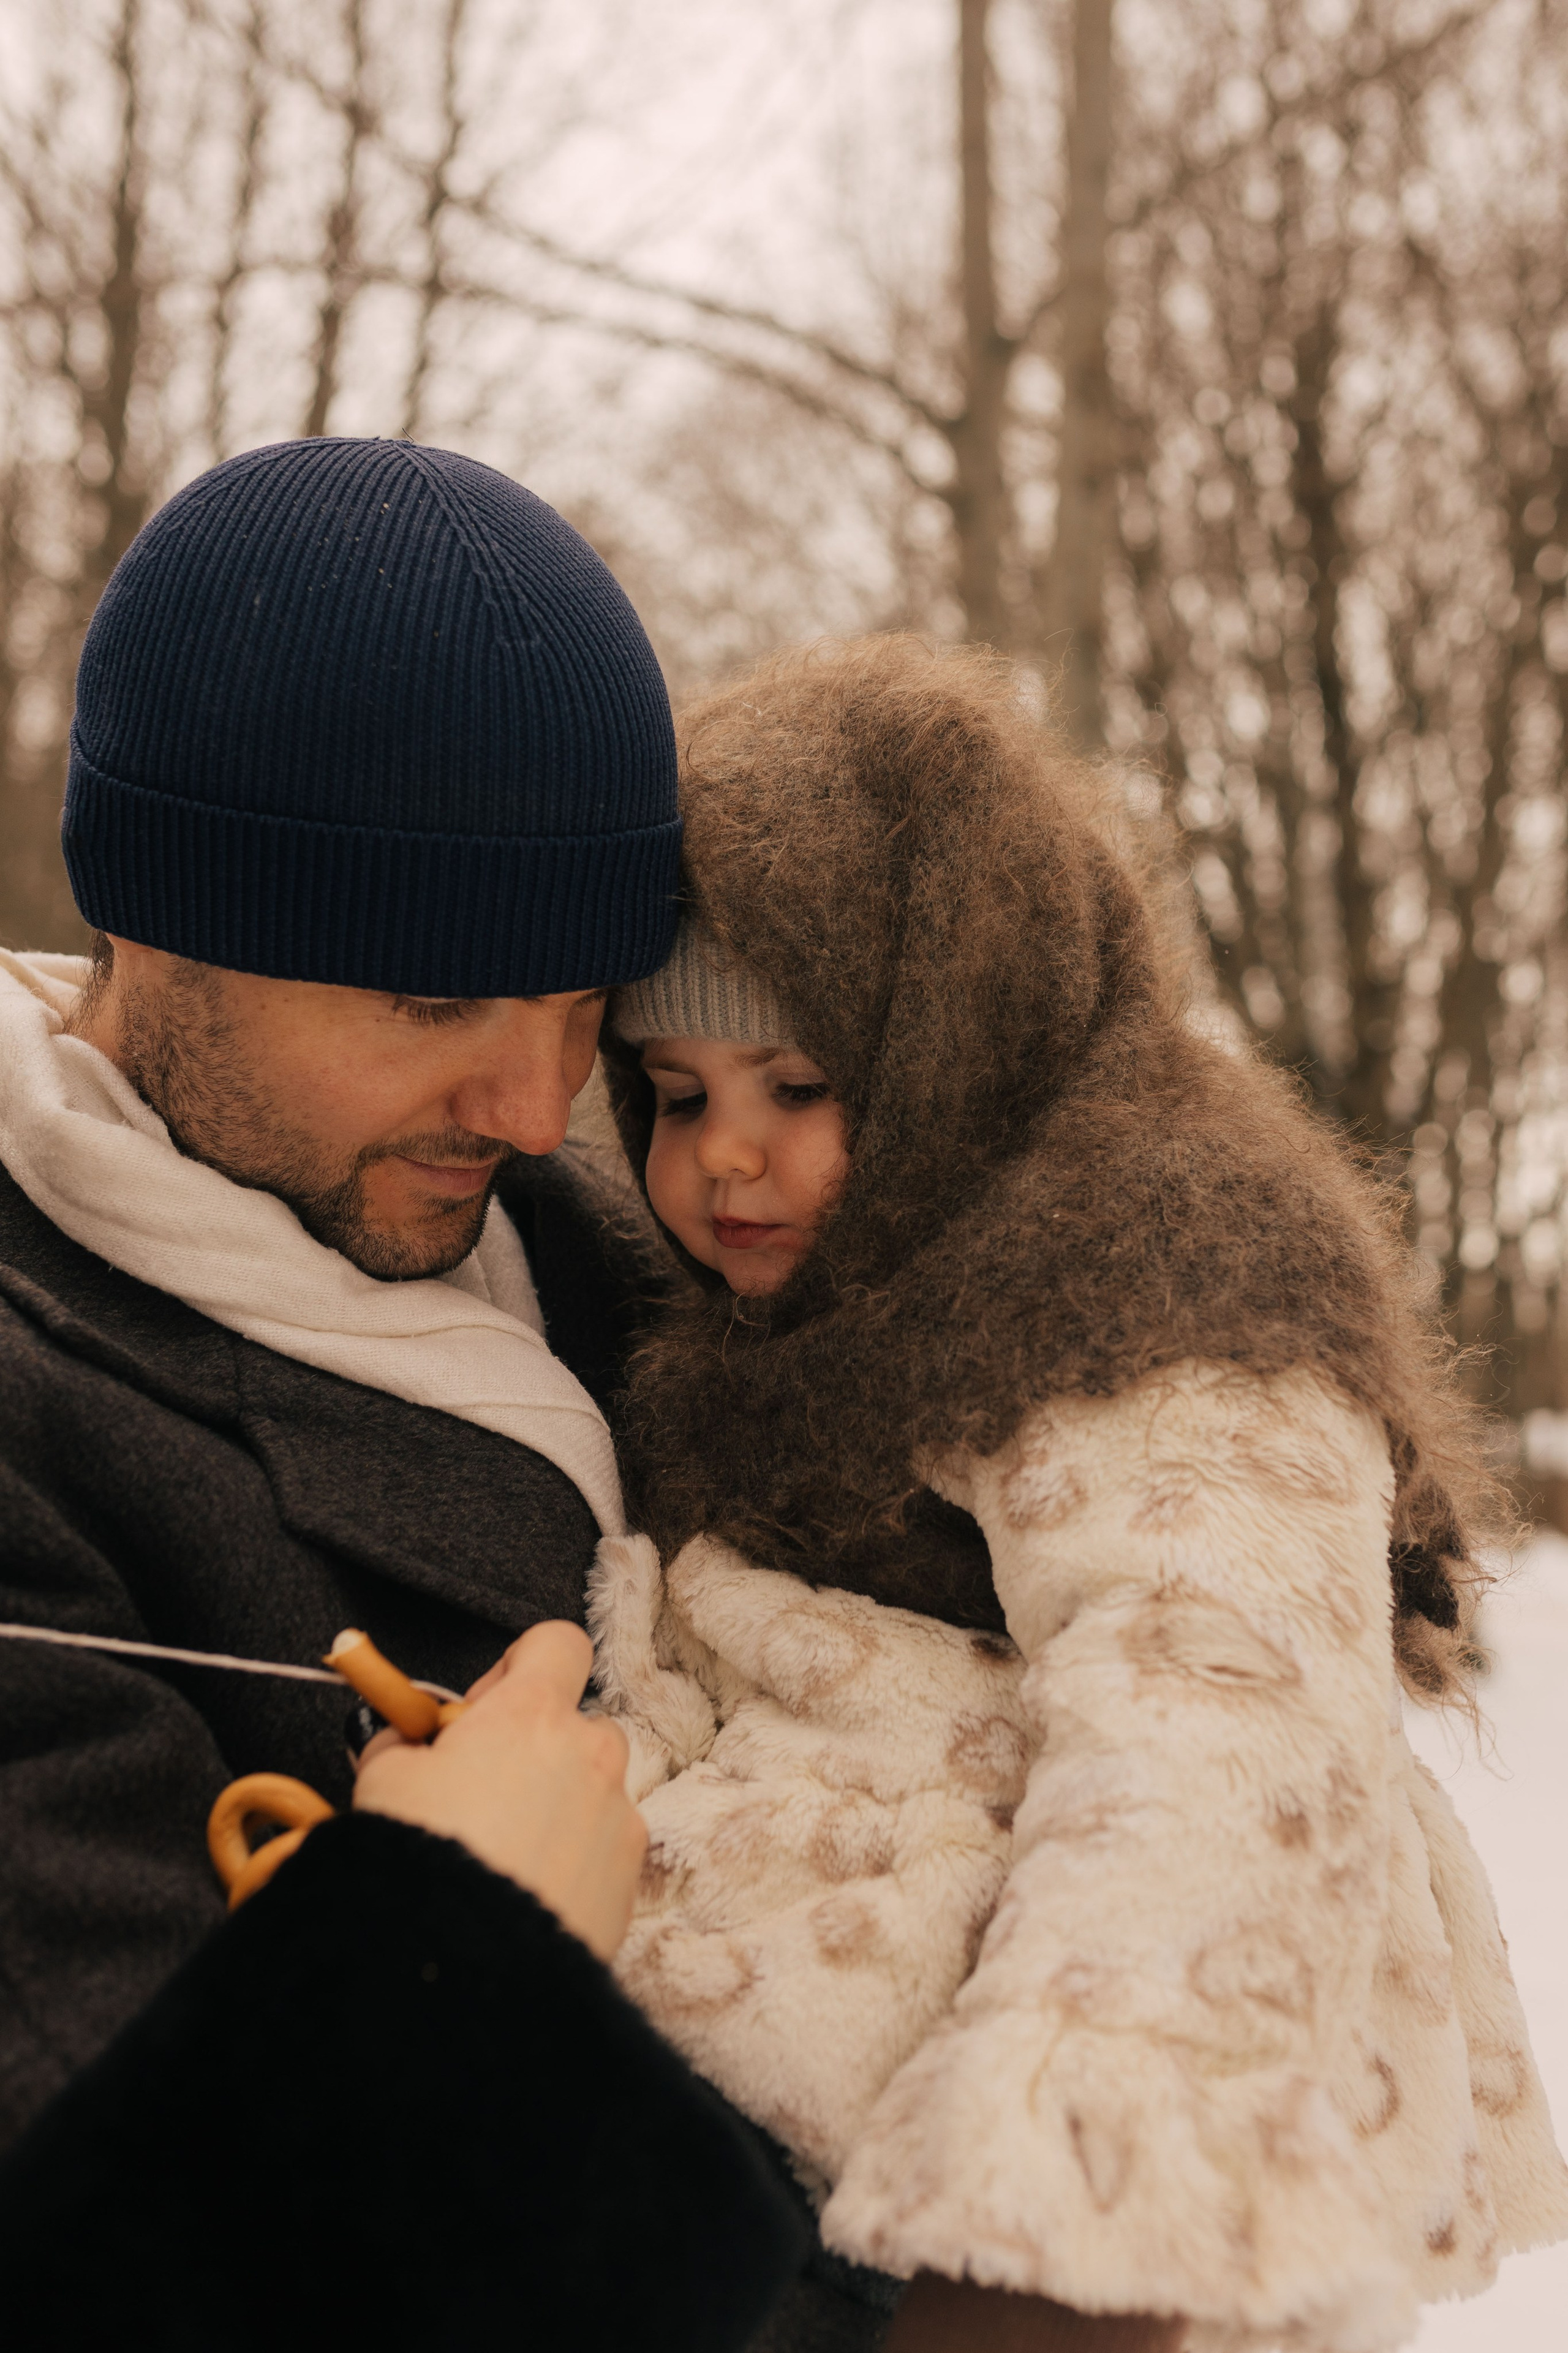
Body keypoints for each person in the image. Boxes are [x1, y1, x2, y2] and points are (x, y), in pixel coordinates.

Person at [589, 635, 1568, 2353]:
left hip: (1065, 2203)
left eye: (798, 1089)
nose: (724, 1156)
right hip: (793, 2158)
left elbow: (1218, 1744)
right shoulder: (791, 1324)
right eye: (676, 1098)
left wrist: (1053, 2250)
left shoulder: (1169, 1286)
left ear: (947, 1052)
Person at [0, 436, 807, 2347]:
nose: (535, 1113)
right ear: (161, 920)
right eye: (435, 1003)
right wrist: (465, 1952)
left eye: (577, 1009)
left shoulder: (652, 1241)